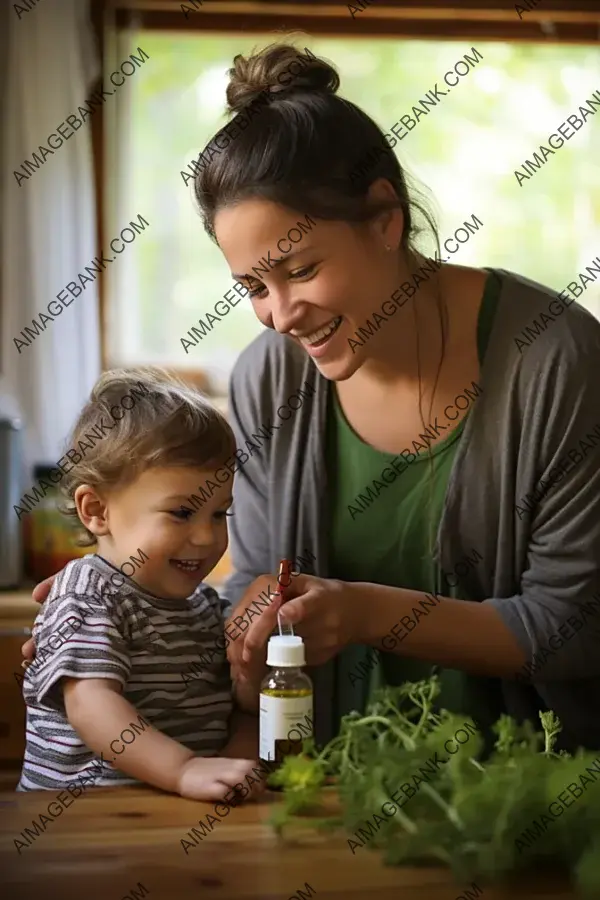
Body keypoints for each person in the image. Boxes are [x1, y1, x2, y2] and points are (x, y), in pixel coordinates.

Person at [26, 42, 600, 755]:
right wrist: (115, 605)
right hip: (321, 796)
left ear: (385, 219)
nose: (279, 313)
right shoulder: (271, 377)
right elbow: (253, 600)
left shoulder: (556, 360)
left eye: (299, 270)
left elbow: (575, 630)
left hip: (522, 802)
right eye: (252, 288)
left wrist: (365, 612)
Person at [17, 366, 265, 803]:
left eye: (219, 513)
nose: (208, 537)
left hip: (182, 817)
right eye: (182, 513)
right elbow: (90, 705)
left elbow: (241, 712)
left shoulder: (205, 604)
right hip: (89, 825)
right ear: (96, 510)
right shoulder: (87, 592)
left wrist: (247, 700)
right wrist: (182, 769)